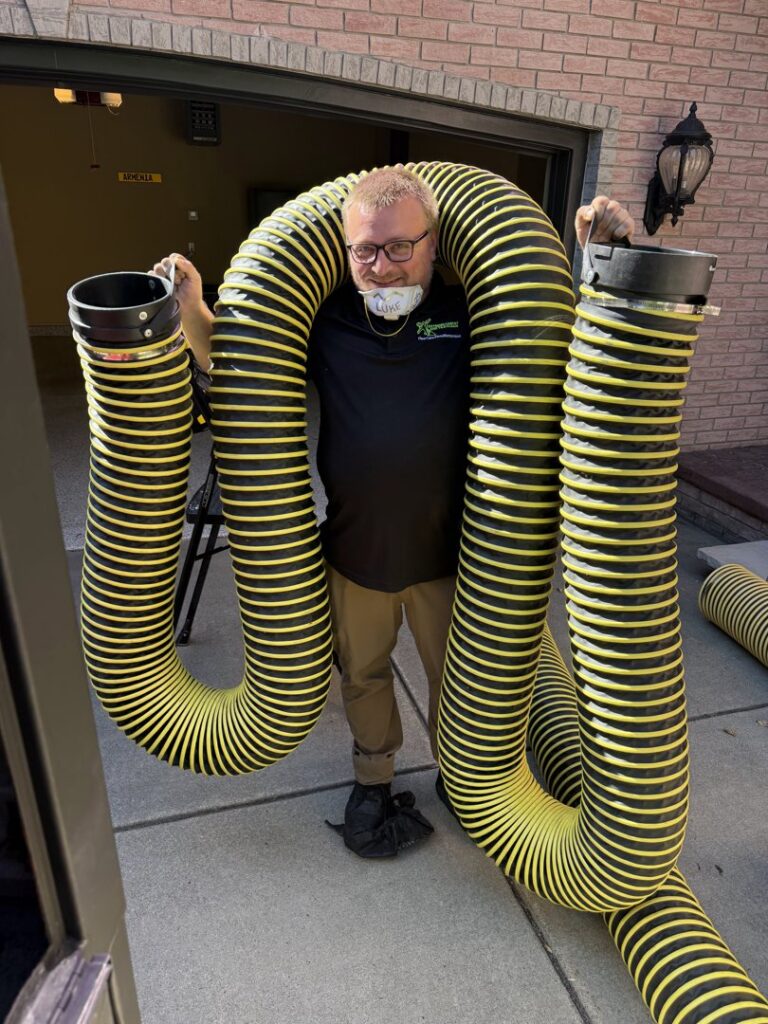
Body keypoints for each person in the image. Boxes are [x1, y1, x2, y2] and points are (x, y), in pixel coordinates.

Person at [153, 172, 634, 859]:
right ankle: (373, 775)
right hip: (356, 553)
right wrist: (193, 308)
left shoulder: (469, 310)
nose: (381, 266)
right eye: (364, 251)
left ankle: (466, 780)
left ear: (433, 243)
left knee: (462, 683)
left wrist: (601, 268)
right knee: (365, 676)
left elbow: (559, 358)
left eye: (399, 247)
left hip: (453, 558)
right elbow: (234, 365)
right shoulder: (329, 318)